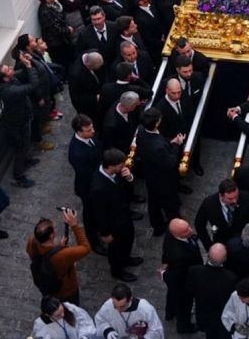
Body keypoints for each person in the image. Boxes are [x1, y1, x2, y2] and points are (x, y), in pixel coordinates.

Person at [90, 148, 144, 281]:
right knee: (116, 248)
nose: (124, 166)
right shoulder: (98, 187)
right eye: (121, 164)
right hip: (113, 223)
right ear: (111, 166)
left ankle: (126, 259)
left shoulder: (117, 173)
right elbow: (99, 213)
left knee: (128, 239)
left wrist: (129, 177)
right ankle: (117, 270)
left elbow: (127, 188)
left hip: (124, 215)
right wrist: (105, 233)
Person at [0, 52, 41, 187]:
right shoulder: (9, 91)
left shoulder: (9, 80)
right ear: (5, 78)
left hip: (23, 117)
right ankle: (18, 176)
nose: (12, 69)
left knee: (25, 144)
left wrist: (25, 64)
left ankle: (27, 159)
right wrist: (29, 67)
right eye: (8, 70)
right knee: (20, 149)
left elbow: (21, 73)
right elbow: (32, 85)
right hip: (17, 124)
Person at [26, 207, 92, 304]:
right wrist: (74, 225)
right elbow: (86, 248)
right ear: (51, 236)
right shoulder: (62, 255)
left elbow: (43, 252)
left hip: (45, 284)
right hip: (66, 291)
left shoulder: (31, 241)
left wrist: (57, 246)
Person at [137, 108, 185, 236]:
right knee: (170, 204)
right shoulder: (157, 146)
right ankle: (177, 227)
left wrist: (170, 142)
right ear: (157, 123)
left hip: (150, 174)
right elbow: (170, 162)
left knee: (154, 202)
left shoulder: (142, 132)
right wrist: (176, 145)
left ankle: (157, 226)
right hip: (162, 180)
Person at [195, 179, 249, 249]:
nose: (235, 201)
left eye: (236, 196)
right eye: (230, 198)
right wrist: (209, 246)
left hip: (243, 240)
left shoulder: (245, 197)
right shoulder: (209, 203)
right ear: (221, 196)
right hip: (222, 242)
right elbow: (199, 224)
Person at [67, 114, 104, 253]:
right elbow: (88, 175)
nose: (93, 131)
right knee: (90, 214)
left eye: (92, 128)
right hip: (88, 187)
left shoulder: (90, 137)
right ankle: (93, 241)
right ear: (79, 132)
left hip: (96, 180)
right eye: (88, 130)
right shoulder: (77, 153)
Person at [187, 243, 240, 339]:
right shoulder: (231, 278)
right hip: (221, 315)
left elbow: (190, 289)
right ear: (225, 259)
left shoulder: (194, 271)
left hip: (204, 314)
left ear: (208, 255)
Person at [161, 218, 204, 334]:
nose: (190, 231)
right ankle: (184, 327)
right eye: (185, 231)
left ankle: (170, 313)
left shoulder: (171, 233)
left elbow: (165, 249)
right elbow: (179, 277)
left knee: (171, 295)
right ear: (176, 234)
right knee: (184, 306)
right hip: (183, 284)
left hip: (175, 278)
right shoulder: (179, 256)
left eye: (188, 227)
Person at [95, 283, 165, 339]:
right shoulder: (108, 304)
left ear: (130, 299)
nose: (118, 310)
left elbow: (156, 329)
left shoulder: (145, 309)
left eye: (122, 306)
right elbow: (100, 320)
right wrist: (108, 331)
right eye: (115, 305)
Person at [32, 295, 99, 339]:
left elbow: (84, 322)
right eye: (58, 315)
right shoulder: (41, 325)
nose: (63, 315)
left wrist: (84, 336)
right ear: (47, 315)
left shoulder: (69, 308)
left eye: (62, 311)